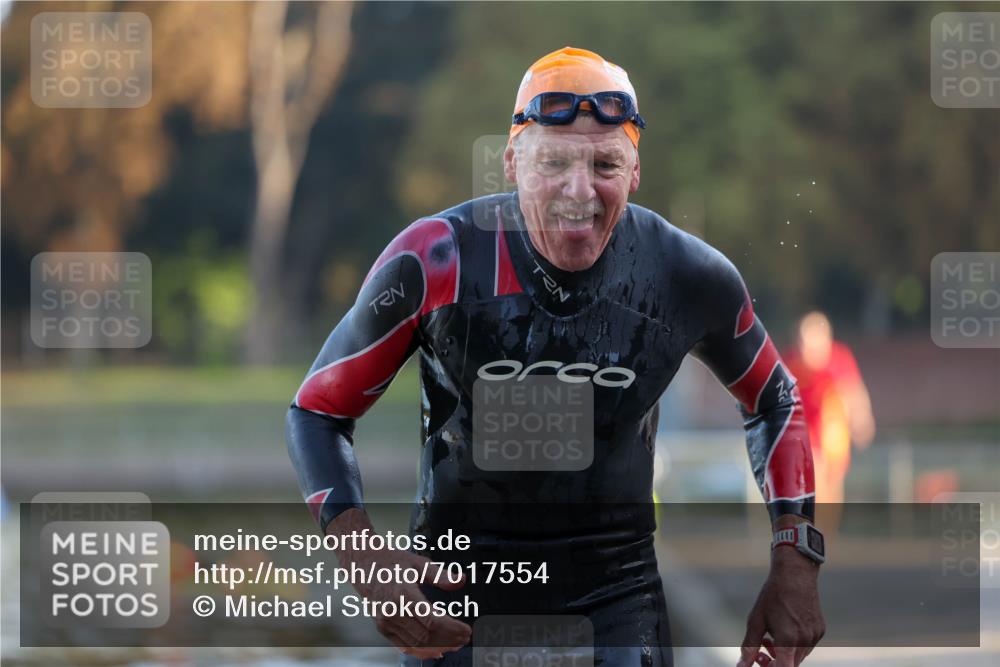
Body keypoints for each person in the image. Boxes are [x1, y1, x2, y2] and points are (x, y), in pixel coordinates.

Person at [287, 47, 824, 667]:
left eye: (605, 164)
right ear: (512, 163)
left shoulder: (683, 274)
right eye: (554, 163)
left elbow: (775, 399)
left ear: (635, 170)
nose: (580, 191)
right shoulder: (439, 261)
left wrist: (796, 560)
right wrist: (364, 557)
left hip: (617, 592)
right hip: (457, 595)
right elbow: (316, 411)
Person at [784, 312, 875, 526]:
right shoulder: (790, 361)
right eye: (803, 344)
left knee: (832, 489)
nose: (808, 352)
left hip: (833, 437)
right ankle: (811, 530)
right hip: (804, 438)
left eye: (813, 346)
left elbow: (854, 391)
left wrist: (862, 421)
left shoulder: (838, 359)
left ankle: (824, 536)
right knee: (815, 485)